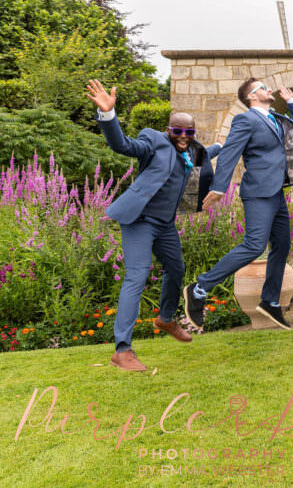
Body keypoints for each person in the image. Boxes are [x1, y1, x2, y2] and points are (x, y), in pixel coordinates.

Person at [87, 80, 220, 372]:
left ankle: (166, 318)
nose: (183, 137)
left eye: (189, 133)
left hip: (165, 225)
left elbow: (207, 153)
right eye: (177, 132)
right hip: (139, 221)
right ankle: (122, 350)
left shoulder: (191, 150)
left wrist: (229, 142)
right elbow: (123, 145)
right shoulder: (154, 141)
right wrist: (109, 115)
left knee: (177, 269)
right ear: (168, 130)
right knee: (137, 276)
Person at [184, 78, 293, 331]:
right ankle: (199, 289)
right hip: (257, 192)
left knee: (282, 244)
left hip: (276, 192)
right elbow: (231, 152)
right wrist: (219, 187)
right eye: (263, 87)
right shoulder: (245, 120)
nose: (269, 89)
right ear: (252, 97)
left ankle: (269, 301)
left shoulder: (274, 117)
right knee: (255, 245)